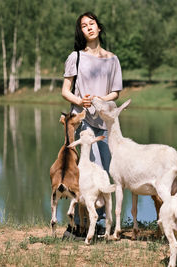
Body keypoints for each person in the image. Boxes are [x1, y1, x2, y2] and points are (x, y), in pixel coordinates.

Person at [61, 11, 122, 238]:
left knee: (105, 172)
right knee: (87, 171)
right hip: (83, 122)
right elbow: (65, 91)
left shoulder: (112, 59)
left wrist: (99, 100)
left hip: (105, 124)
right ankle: (77, 225)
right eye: (84, 25)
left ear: (99, 27)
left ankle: (101, 224)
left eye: (92, 23)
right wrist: (80, 101)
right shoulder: (75, 57)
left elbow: (115, 92)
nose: (89, 27)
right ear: (82, 32)